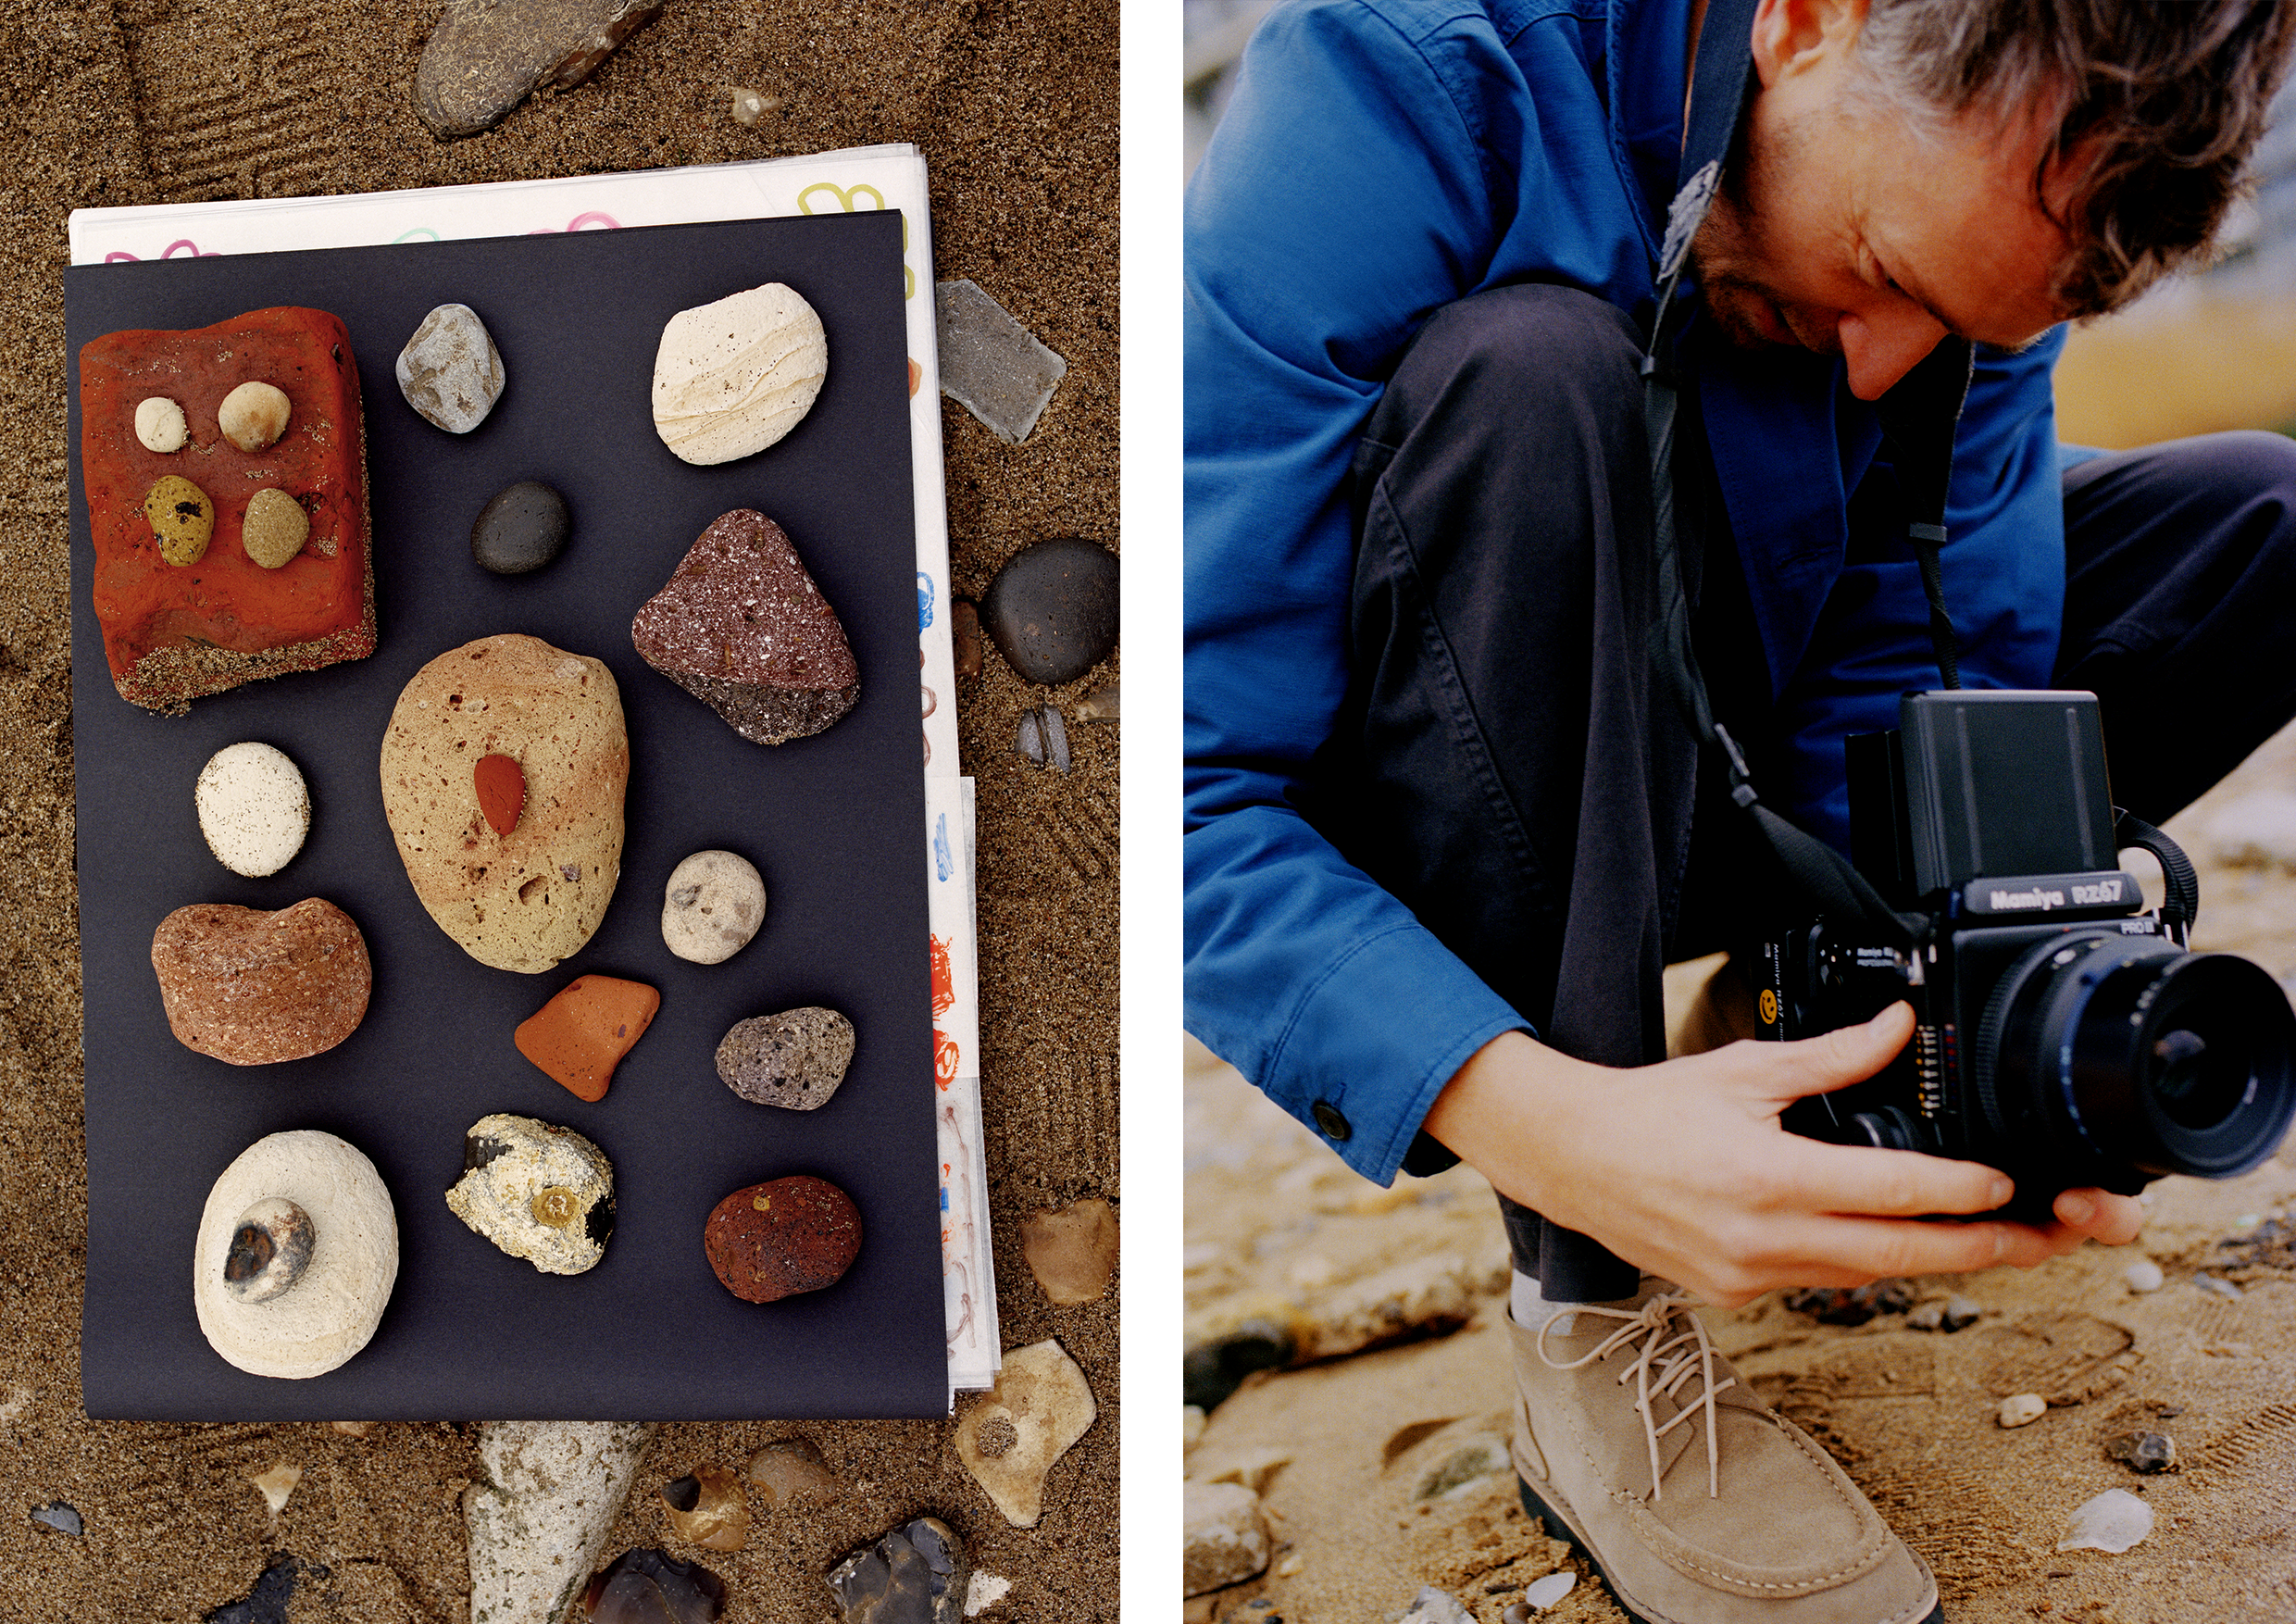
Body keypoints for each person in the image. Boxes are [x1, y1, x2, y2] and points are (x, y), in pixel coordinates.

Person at [1183, 1, 2296, 1619]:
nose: (1884, 367)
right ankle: (1592, 1310)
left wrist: (1974, 1011)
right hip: (1454, 741)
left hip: (1732, 721)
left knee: (2256, 522)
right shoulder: (1394, 87)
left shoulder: (1973, 208)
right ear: (1809, 22)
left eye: (1965, 325)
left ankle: (1772, 1037)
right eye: (1896, 278)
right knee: (1533, 374)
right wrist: (1550, 1127)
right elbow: (1190, 795)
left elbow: (1947, 655)